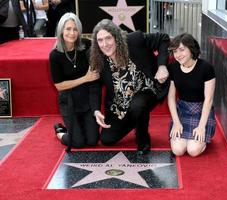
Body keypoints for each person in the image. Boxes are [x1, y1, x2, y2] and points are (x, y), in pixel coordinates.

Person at [90, 19, 170, 155]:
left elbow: (163, 38)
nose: (105, 44)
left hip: (146, 90)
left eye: (108, 38)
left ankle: (143, 138)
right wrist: (96, 110)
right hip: (121, 103)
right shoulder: (98, 59)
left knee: (137, 105)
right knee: (107, 139)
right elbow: (95, 86)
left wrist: (162, 66)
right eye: (100, 40)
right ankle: (137, 117)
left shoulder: (134, 40)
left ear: (116, 37)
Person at [49, 13, 101, 151]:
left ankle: (79, 127)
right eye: (68, 29)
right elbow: (59, 86)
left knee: (92, 141)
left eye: (75, 29)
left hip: (86, 100)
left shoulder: (87, 45)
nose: (72, 33)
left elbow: (97, 67)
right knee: (77, 143)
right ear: (61, 30)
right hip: (69, 101)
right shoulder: (55, 55)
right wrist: (85, 78)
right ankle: (61, 132)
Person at [167, 33, 216, 157]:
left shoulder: (206, 68)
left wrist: (201, 127)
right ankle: (191, 138)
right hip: (183, 110)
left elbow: (209, 100)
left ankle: (203, 138)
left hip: (201, 111)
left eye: (182, 50)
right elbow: (171, 98)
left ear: (191, 48)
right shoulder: (173, 67)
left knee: (193, 151)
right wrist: (176, 123)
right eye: (175, 51)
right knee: (178, 150)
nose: (178, 55)